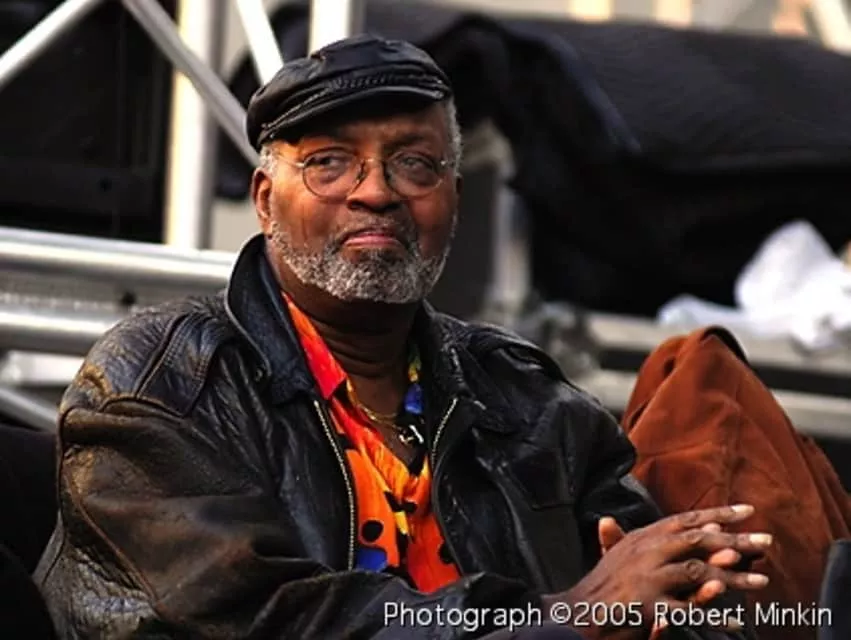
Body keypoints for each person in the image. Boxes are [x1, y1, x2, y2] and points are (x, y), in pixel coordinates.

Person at [35, 34, 772, 639]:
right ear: (264, 200)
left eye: (414, 163)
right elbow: (264, 621)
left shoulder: (532, 404)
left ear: (454, 197)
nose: (376, 191)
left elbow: (663, 591)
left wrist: (681, 603)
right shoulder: (162, 382)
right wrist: (566, 617)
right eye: (329, 163)